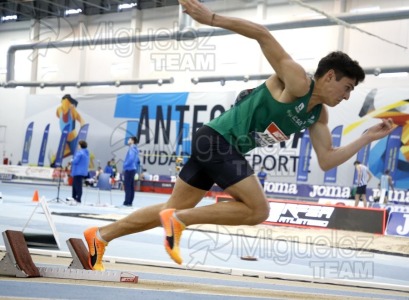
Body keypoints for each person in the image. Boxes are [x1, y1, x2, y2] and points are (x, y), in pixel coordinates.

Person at [83, 0, 395, 271]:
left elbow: (327, 160)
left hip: (215, 145)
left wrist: (366, 138)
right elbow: (262, 34)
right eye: (347, 87)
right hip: (217, 141)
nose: (347, 96)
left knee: (170, 208)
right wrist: (212, 19)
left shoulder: (317, 115)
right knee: (258, 210)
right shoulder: (298, 81)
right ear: (330, 76)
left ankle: (99, 237)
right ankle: (180, 222)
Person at [122, 136, 140, 207]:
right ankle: (130, 201)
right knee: (131, 186)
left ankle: (127, 201)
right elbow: (138, 161)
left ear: (132, 141)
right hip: (133, 169)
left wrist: (125, 165)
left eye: (129, 139)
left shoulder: (132, 148)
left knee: (128, 186)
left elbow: (131, 159)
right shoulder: (136, 149)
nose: (128, 140)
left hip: (129, 169)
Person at [69, 140, 90, 204]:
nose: (77, 146)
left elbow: (75, 161)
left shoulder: (80, 153)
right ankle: (76, 198)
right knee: (77, 185)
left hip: (78, 171)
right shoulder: (86, 153)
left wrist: (72, 160)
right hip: (82, 171)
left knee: (76, 186)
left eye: (78, 145)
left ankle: (77, 199)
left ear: (80, 145)